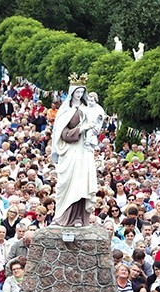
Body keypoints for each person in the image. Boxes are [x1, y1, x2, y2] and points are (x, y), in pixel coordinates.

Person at [51, 81, 98, 227]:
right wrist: (81, 129)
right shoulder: (65, 111)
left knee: (82, 183)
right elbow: (63, 134)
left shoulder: (88, 109)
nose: (79, 95)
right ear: (72, 93)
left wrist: (94, 130)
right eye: (77, 92)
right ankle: (62, 216)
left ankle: (79, 217)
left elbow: (96, 124)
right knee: (66, 184)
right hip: (70, 151)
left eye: (81, 92)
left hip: (84, 151)